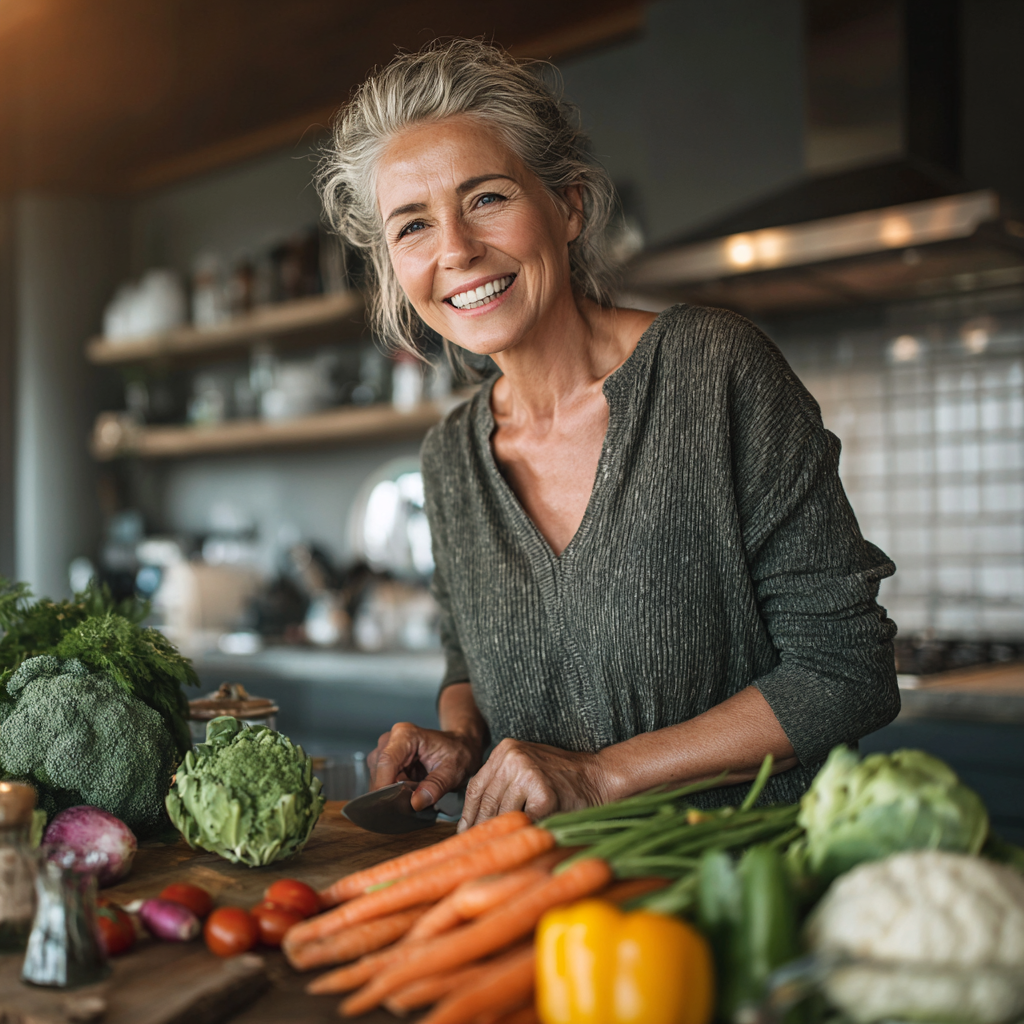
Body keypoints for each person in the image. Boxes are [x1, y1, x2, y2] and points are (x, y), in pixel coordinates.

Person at [317, 39, 900, 831]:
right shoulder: (448, 458)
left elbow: (847, 674)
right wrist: (460, 735)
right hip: (543, 907)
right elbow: (469, 662)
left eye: (486, 198)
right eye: (413, 225)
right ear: (393, 270)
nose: (454, 249)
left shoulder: (713, 372)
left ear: (568, 206)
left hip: (739, 895)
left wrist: (600, 776)